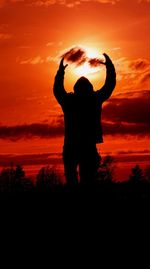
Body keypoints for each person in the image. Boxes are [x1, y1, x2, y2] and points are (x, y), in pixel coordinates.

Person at [53, 53, 116, 185]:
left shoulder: (69, 101)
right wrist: (109, 67)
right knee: (87, 182)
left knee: (73, 181)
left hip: (71, 146)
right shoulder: (94, 99)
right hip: (87, 146)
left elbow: (57, 90)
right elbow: (109, 85)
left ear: (75, 89)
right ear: (90, 88)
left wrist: (60, 73)